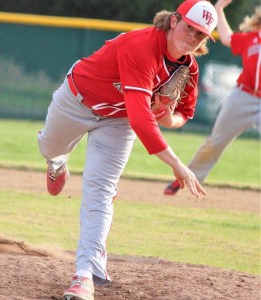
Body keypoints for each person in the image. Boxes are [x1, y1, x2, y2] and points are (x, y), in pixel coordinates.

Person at [38, 0, 217, 299]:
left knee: (100, 191)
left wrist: (165, 114)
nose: (193, 38)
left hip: (118, 122)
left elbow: (183, 115)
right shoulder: (141, 46)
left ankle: (84, 276)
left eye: (201, 35)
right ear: (174, 21)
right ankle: (57, 162)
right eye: (190, 28)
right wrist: (177, 164)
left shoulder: (188, 68)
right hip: (77, 100)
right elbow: (141, 120)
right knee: (49, 147)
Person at [164, 0, 261, 196]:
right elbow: (227, 38)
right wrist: (218, 9)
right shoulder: (252, 39)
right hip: (243, 96)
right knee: (215, 142)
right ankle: (186, 178)